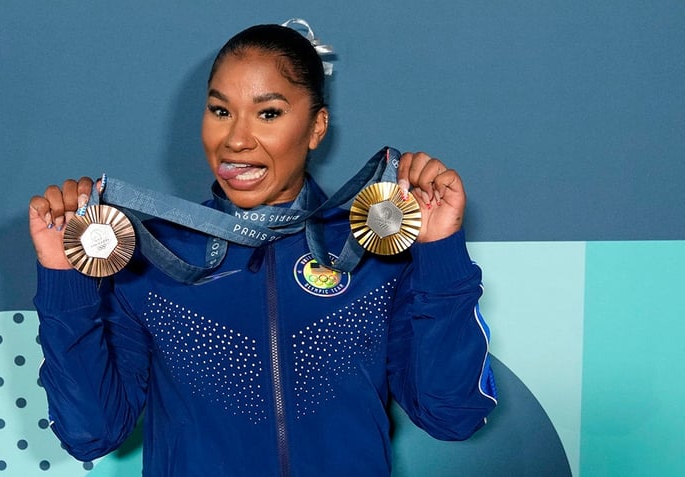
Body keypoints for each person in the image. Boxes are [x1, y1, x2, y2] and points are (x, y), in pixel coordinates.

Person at [29, 21, 497, 477]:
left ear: (316, 127)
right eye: (220, 111)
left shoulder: (373, 253)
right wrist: (64, 279)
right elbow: (91, 432)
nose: (235, 139)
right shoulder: (152, 260)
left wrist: (439, 252)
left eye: (268, 113)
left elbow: (452, 414)